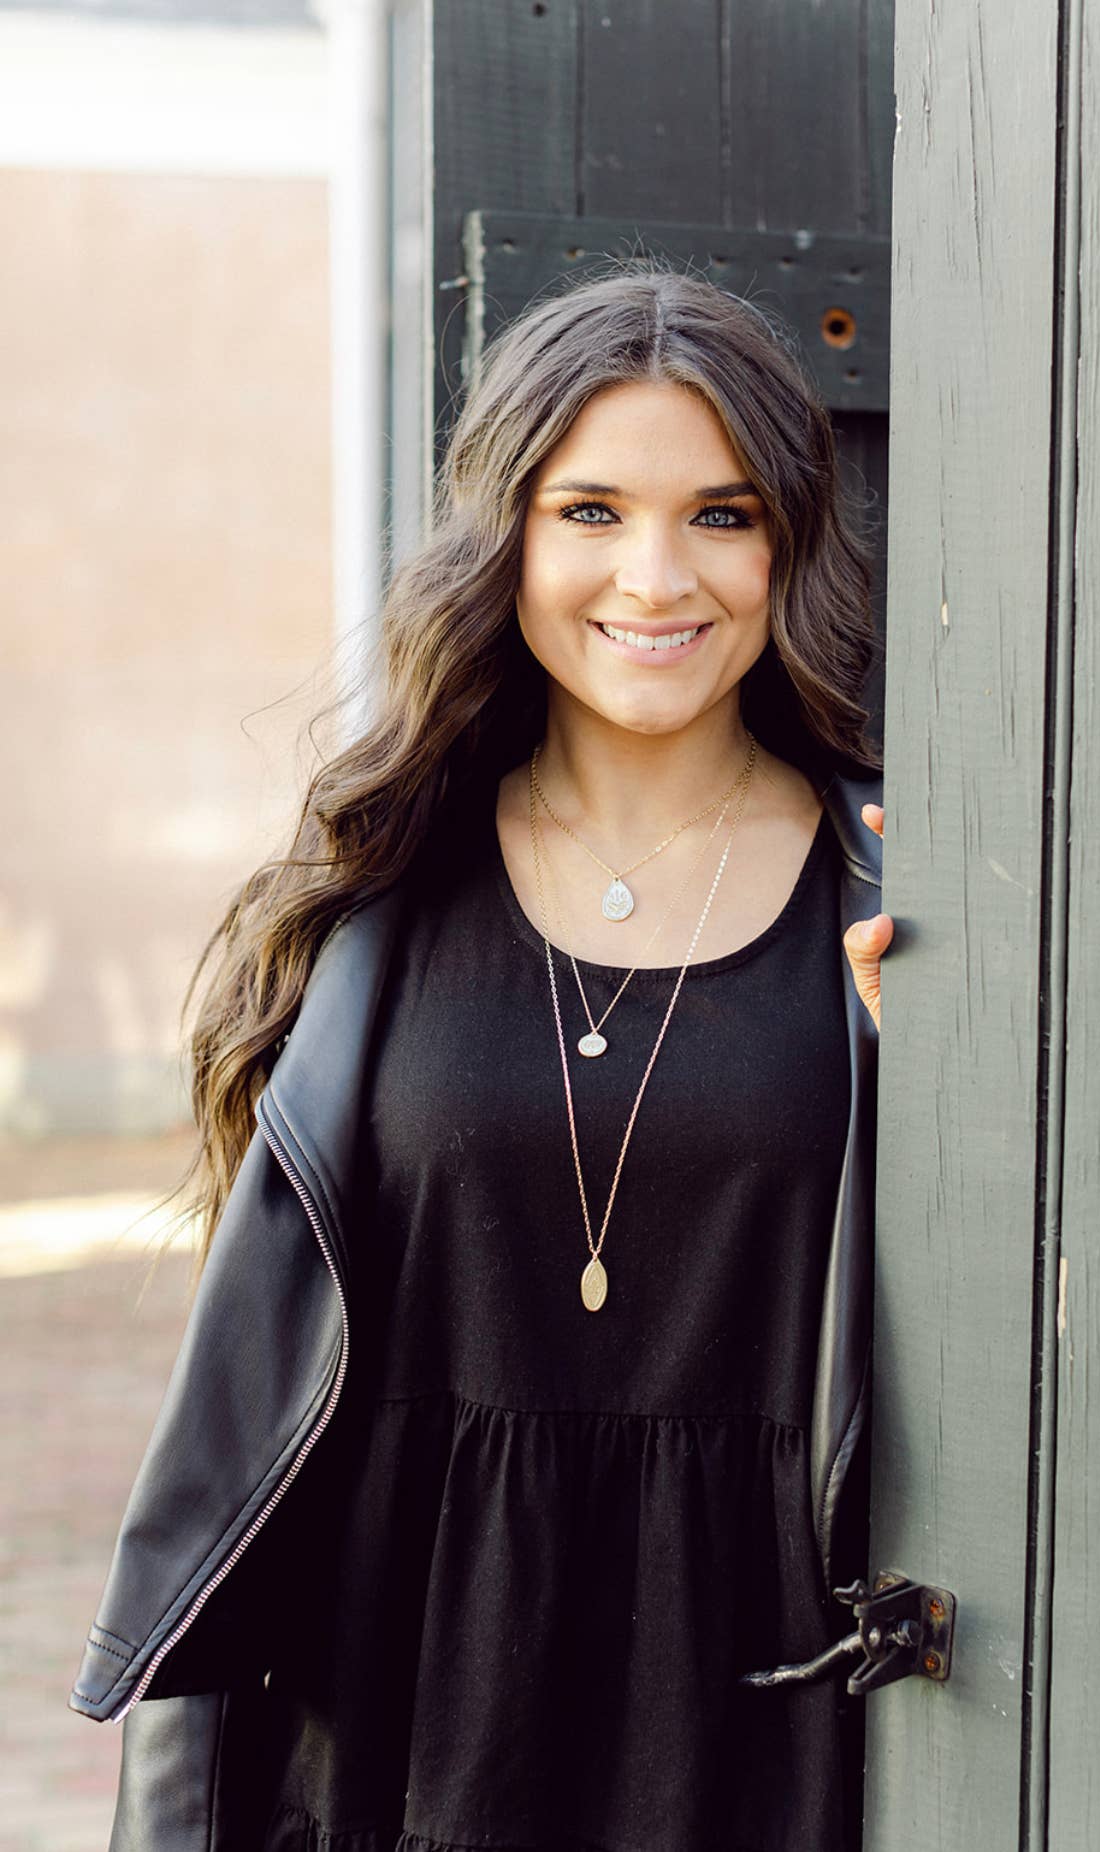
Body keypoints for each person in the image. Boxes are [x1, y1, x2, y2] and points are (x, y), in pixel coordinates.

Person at [70, 264, 894, 1851]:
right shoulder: (381, 885)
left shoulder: (896, 899)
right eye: (591, 510)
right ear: (504, 531)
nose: (657, 575)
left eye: (722, 514)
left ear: (788, 542)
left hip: (764, 1714)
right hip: (393, 1703)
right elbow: (252, 1404)